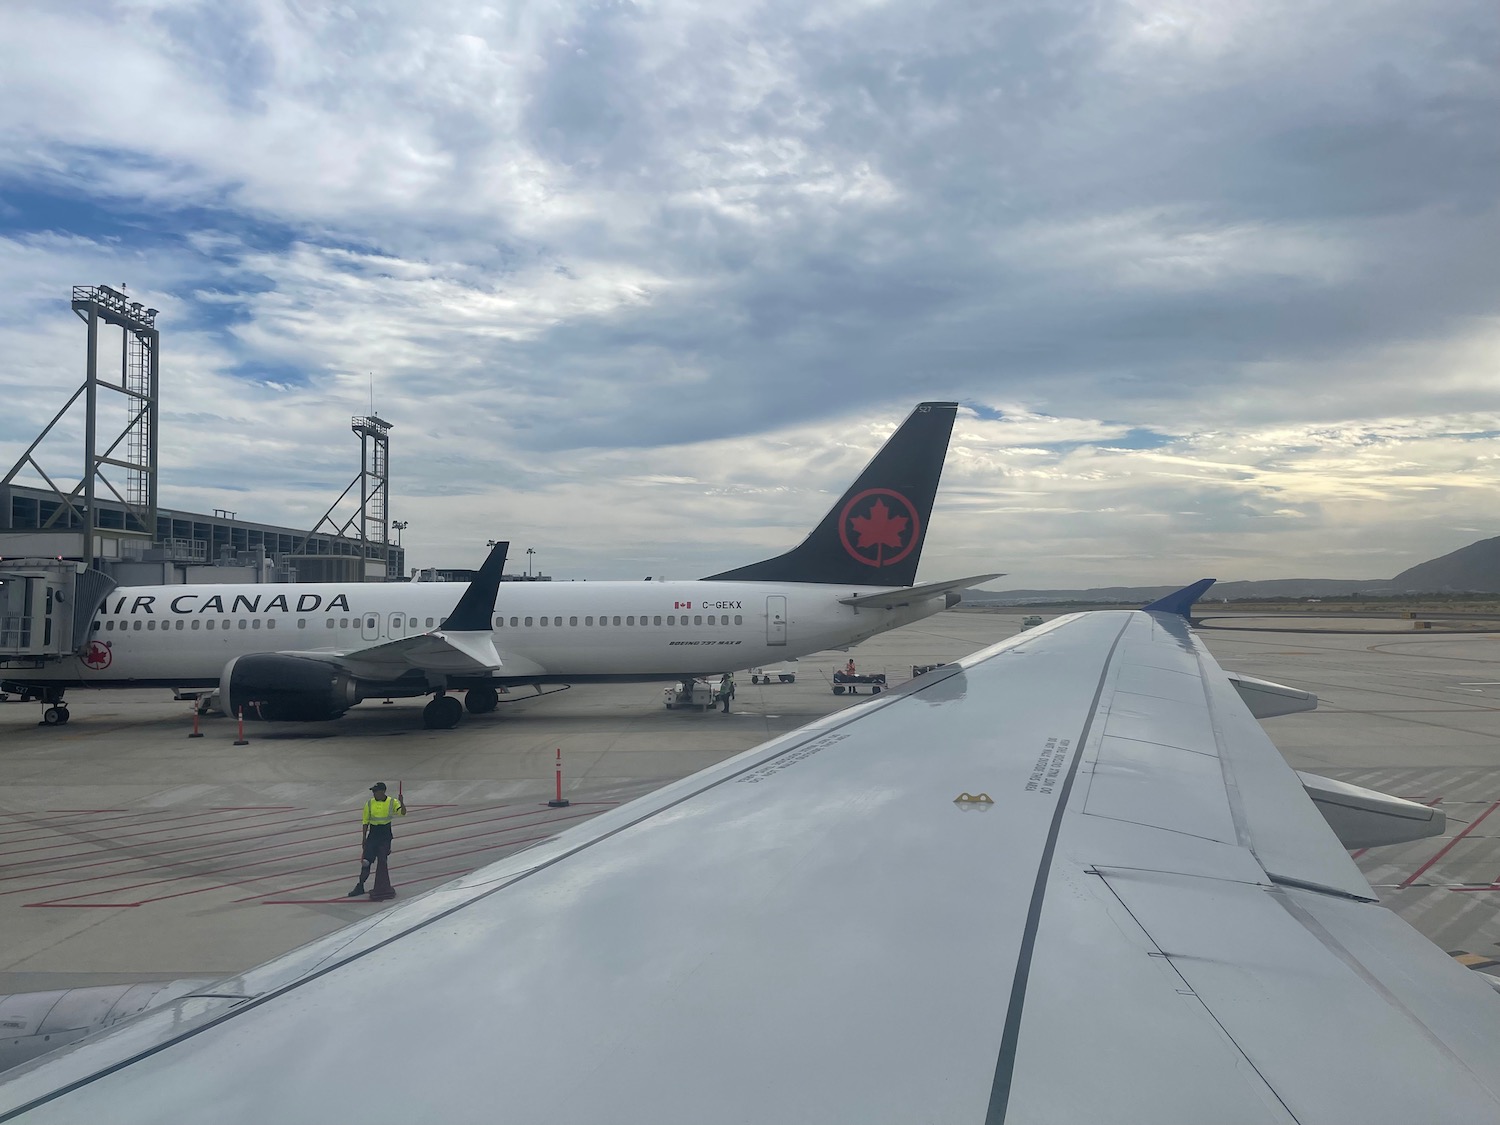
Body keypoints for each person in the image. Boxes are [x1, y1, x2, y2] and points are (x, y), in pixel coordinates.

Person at [348, 782, 406, 897]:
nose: (374, 793)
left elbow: (403, 813)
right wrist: (364, 838)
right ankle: (360, 886)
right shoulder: (369, 803)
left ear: (383, 791)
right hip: (373, 834)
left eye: (376, 791)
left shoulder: (392, 802)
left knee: (382, 860)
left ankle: (382, 886)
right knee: (366, 862)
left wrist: (401, 802)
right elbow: (365, 821)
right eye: (373, 791)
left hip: (385, 834)